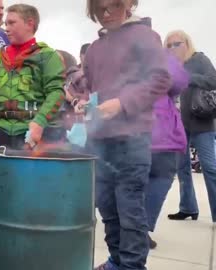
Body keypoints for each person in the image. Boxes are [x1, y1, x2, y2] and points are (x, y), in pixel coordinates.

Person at [69, 1, 171, 269]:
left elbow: (160, 79)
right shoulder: (95, 48)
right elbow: (88, 87)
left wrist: (121, 103)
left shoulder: (145, 36)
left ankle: (133, 265)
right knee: (108, 211)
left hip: (133, 139)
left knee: (130, 211)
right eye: (99, 9)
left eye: (113, 6)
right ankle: (117, 261)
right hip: (99, 142)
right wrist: (82, 101)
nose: (106, 14)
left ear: (129, 4)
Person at [0, 4, 66, 150]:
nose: (6, 28)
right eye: (6, 23)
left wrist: (39, 122)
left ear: (30, 23)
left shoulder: (48, 56)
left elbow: (57, 93)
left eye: (12, 23)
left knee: (28, 173)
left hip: (30, 133)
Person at [165, 30, 216, 222]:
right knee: (182, 168)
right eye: (168, 45)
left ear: (187, 43)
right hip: (179, 124)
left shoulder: (199, 59)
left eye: (176, 44)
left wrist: (188, 77)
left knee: (210, 168)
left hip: (202, 122)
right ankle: (187, 208)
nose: (172, 48)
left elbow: (214, 80)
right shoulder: (169, 66)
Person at [145, 52, 189, 249]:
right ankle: (140, 229)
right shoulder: (159, 55)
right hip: (160, 132)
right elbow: (180, 82)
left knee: (134, 182)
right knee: (160, 178)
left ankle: (131, 229)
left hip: (129, 130)